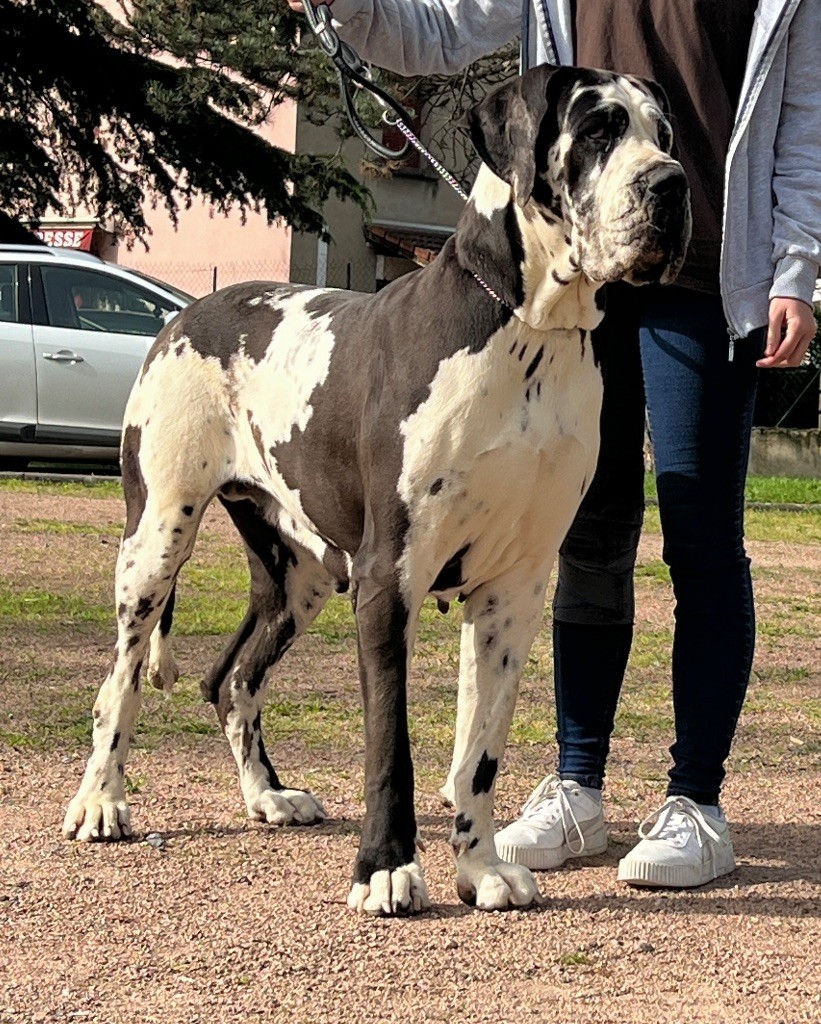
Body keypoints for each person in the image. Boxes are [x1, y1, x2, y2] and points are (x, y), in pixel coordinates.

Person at [286, 0, 821, 888]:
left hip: (708, 268)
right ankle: (577, 787)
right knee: (585, 537)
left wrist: (795, 270)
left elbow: (804, 123)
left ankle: (695, 801)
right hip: (571, 268)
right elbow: (441, 31)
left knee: (700, 537)